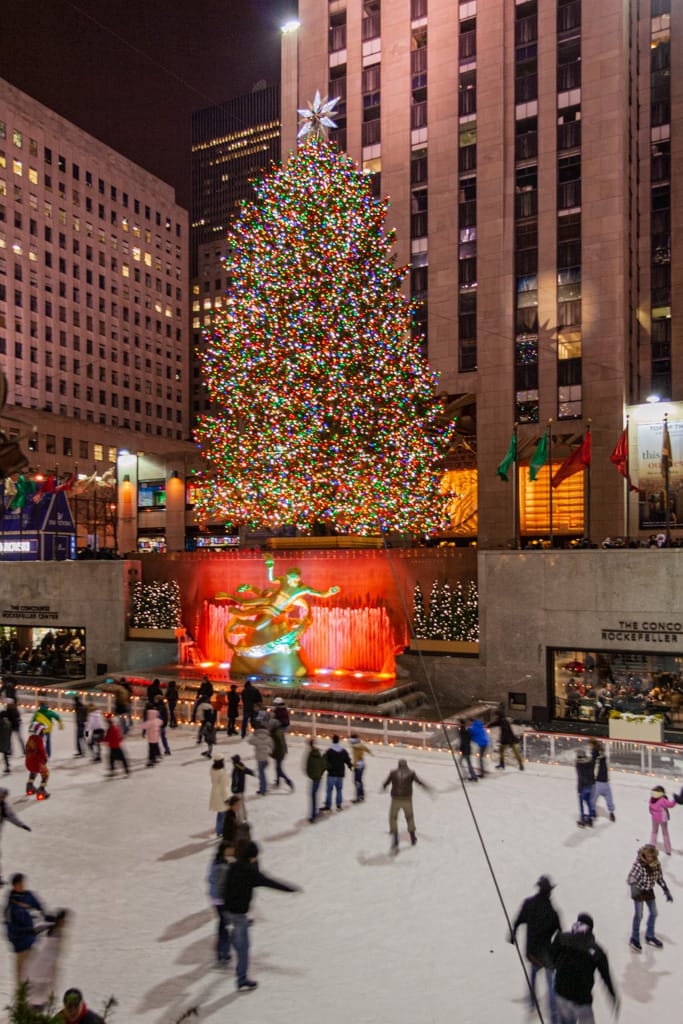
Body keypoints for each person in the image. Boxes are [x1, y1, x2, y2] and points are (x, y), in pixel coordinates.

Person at [223, 839, 300, 991]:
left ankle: (227, 946)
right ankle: (242, 979)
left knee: (235, 934)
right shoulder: (250, 872)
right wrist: (290, 889)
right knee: (243, 948)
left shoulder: (233, 866)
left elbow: (225, 886)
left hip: (227, 910)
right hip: (239, 914)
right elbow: (270, 882)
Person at [510, 875, 561, 1024]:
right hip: (547, 953)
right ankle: (553, 1016)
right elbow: (560, 933)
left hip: (532, 952)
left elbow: (518, 920)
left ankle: (532, 1003)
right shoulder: (552, 912)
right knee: (550, 983)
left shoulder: (529, 904)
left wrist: (513, 933)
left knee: (533, 972)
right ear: (549, 892)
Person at [551, 913, 618, 1023]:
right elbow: (605, 976)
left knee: (565, 1020)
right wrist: (613, 995)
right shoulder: (597, 951)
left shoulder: (561, 938)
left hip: (561, 992)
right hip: (581, 999)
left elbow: (552, 959)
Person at [5, 872, 52, 993]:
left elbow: (42, 909)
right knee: (22, 985)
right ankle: (23, 1008)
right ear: (14, 886)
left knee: (36, 981)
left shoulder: (29, 896)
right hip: (21, 949)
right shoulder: (11, 907)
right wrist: (29, 931)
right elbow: (11, 932)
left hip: (34, 944)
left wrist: (48, 919)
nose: (22, 886)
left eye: (23, 883)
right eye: (19, 884)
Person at [627, 843, 673, 951]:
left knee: (654, 913)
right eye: (648, 856)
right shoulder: (639, 864)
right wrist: (634, 888)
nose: (650, 858)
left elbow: (659, 878)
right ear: (644, 855)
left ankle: (649, 935)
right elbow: (630, 878)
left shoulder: (656, 864)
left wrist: (666, 890)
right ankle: (634, 938)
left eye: (652, 856)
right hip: (638, 890)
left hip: (648, 890)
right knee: (639, 915)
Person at [23, 906, 68, 1011]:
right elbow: (46, 962)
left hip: (40, 983)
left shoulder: (53, 933)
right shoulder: (52, 937)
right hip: (40, 984)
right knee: (37, 1006)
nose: (65, 924)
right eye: (64, 921)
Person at [382, 758, 430, 851]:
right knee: (409, 817)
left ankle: (395, 837)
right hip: (407, 799)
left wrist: (384, 787)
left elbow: (386, 782)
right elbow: (419, 782)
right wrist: (426, 787)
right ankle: (412, 837)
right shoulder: (411, 773)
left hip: (395, 799)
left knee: (393, 817)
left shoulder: (393, 773)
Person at [208, 840, 232, 969]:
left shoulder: (215, 862)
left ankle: (222, 953)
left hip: (215, 898)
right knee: (224, 927)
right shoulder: (222, 865)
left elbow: (210, 879)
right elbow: (222, 884)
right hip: (221, 899)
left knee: (223, 925)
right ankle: (223, 954)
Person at [0, 787, 31, 884]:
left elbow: (12, 817)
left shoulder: (4, 807)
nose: (3, 797)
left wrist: (21, 825)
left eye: (4, 796)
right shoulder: (4, 807)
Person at [321, 734, 352, 812]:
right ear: (338, 741)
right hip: (340, 774)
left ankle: (328, 805)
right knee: (339, 790)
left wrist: (321, 772)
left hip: (331, 774)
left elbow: (323, 762)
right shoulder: (343, 751)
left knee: (329, 790)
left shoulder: (329, 751)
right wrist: (350, 767)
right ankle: (338, 804)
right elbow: (348, 760)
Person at [588, 739, 615, 822]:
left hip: (601, 781)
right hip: (602, 781)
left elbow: (593, 765)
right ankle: (596, 812)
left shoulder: (597, 753)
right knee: (603, 798)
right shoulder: (598, 753)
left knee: (598, 798)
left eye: (590, 745)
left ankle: (610, 812)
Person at [490, 706, 524, 770]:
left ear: (498, 716)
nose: (495, 717)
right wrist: (489, 725)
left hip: (507, 739)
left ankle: (502, 764)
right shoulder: (504, 720)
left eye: (496, 716)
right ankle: (520, 764)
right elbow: (495, 724)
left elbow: (503, 729)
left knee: (503, 751)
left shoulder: (502, 721)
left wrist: (503, 739)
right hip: (511, 738)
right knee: (513, 751)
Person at [648, 784, 676, 855]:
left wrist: (653, 814)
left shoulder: (651, 799)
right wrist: (676, 799)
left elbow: (650, 809)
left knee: (654, 832)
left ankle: (652, 846)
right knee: (665, 833)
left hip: (654, 818)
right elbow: (671, 805)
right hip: (663, 819)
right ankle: (668, 849)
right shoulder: (662, 800)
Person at [248, 718, 273, 795]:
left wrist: (254, 734)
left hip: (259, 758)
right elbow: (272, 745)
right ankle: (264, 787)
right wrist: (270, 751)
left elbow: (250, 741)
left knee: (261, 774)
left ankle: (263, 789)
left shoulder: (256, 737)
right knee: (262, 773)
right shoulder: (268, 737)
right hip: (265, 758)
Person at [25, 722, 49, 799]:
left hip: (28, 761)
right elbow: (42, 751)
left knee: (33, 771)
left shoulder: (30, 738)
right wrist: (45, 759)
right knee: (46, 774)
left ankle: (30, 786)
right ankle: (41, 790)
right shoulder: (39, 739)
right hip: (37, 762)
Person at [305, 738, 327, 822]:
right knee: (314, 795)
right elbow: (323, 765)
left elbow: (307, 768)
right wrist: (320, 773)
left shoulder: (310, 755)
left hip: (314, 778)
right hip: (318, 778)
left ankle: (313, 815)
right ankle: (315, 812)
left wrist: (311, 775)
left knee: (313, 795)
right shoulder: (318, 754)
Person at [270, 718, 294, 791]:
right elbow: (283, 743)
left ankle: (288, 781)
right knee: (277, 768)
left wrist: (272, 754)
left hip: (279, 754)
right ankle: (278, 782)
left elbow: (275, 746)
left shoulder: (274, 734)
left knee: (279, 769)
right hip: (281, 753)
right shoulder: (279, 732)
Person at [349, 733, 373, 802]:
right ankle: (361, 795)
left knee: (357, 781)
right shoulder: (359, 745)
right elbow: (365, 748)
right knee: (358, 781)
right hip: (361, 765)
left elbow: (358, 748)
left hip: (358, 766)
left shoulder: (356, 746)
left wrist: (353, 765)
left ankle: (359, 797)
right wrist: (369, 752)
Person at [210, 757, 229, 836]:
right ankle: (220, 830)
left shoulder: (212, 770)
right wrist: (226, 799)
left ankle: (219, 830)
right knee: (222, 814)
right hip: (221, 794)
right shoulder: (222, 772)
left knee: (220, 813)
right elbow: (223, 787)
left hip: (214, 792)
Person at [575, 750, 594, 828]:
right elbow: (592, 773)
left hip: (583, 786)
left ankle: (583, 818)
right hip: (590, 785)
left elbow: (580, 777)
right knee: (589, 802)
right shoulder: (590, 762)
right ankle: (590, 818)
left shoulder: (579, 764)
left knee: (581, 802)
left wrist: (579, 789)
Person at [141, 702, 162, 767]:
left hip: (150, 733)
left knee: (151, 747)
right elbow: (160, 721)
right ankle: (155, 757)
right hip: (156, 732)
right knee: (154, 745)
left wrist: (143, 732)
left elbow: (145, 723)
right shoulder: (156, 713)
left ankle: (152, 760)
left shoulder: (147, 713)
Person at [0, 705, 12, 773]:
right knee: (5, 755)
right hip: (6, 741)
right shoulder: (8, 722)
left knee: (5, 755)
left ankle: (7, 767)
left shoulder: (1, 722)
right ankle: (7, 767)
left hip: (1, 741)